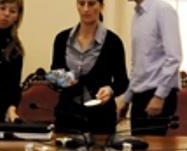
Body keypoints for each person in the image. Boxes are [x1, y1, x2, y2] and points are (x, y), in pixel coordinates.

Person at [51, 0, 129, 135]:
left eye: (91, 4)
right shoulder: (61, 39)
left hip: (101, 119)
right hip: (67, 117)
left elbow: (122, 81)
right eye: (81, 4)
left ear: (101, 6)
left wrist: (110, 90)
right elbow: (54, 75)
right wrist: (64, 79)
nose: (86, 9)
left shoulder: (113, 42)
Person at [117, 0, 182, 135]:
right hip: (139, 97)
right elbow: (138, 65)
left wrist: (159, 96)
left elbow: (174, 58)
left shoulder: (163, 10)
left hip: (158, 96)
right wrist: (127, 98)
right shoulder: (137, 15)